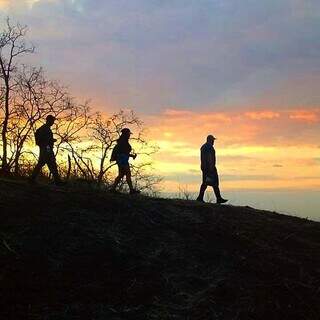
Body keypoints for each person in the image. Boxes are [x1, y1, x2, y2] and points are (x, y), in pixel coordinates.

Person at [29, 115, 64, 185]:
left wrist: (51, 141)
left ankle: (57, 181)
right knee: (47, 163)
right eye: (52, 121)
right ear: (48, 120)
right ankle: (31, 180)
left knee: (50, 164)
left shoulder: (46, 128)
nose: (53, 122)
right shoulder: (45, 128)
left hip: (46, 149)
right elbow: (44, 140)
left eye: (53, 121)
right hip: (46, 149)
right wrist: (51, 141)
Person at [196, 135, 228, 204]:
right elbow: (210, 158)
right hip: (210, 168)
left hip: (204, 168)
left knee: (206, 183)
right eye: (213, 140)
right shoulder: (209, 147)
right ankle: (218, 198)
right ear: (210, 140)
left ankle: (200, 198)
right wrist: (211, 169)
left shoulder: (203, 147)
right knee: (214, 183)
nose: (214, 141)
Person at [109, 128, 140, 194]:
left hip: (122, 160)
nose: (129, 135)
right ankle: (131, 190)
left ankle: (113, 189)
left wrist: (131, 156)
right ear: (126, 134)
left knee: (121, 174)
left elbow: (124, 152)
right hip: (122, 160)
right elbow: (123, 153)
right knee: (127, 173)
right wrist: (131, 156)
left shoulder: (123, 141)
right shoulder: (123, 142)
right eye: (129, 134)